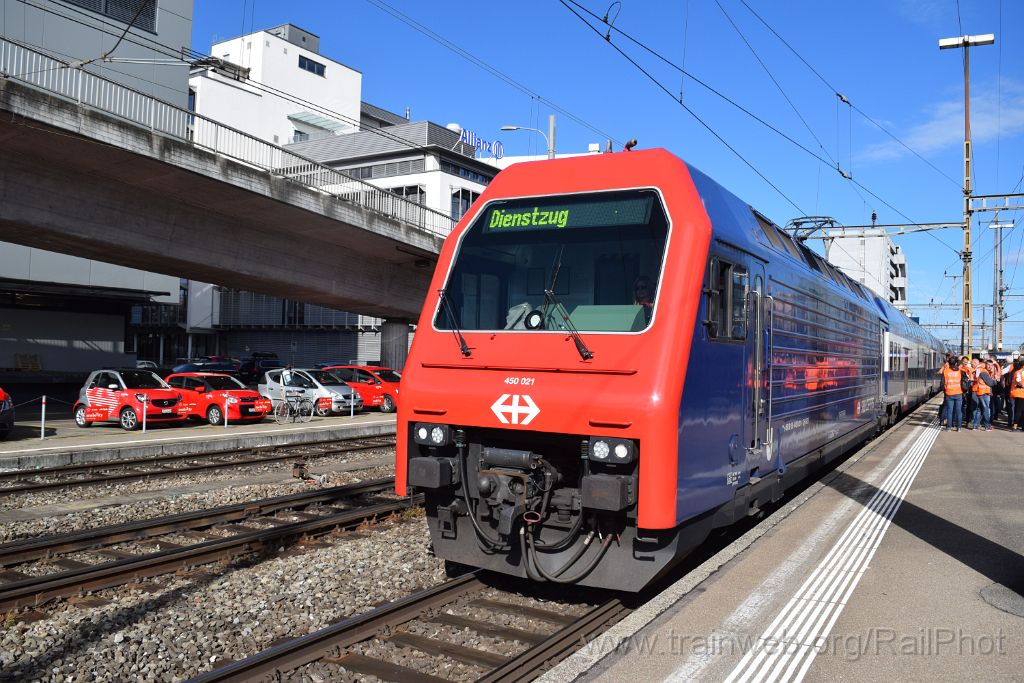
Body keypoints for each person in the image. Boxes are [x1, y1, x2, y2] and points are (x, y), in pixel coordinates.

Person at [970, 358, 995, 431]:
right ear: (985, 365)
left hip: (980, 392)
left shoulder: (984, 371)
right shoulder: (984, 372)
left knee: (979, 409)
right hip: (984, 393)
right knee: (986, 409)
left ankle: (975, 425)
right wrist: (995, 381)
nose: (990, 366)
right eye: (988, 365)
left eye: (991, 365)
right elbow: (990, 383)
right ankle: (987, 426)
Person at [940, 355, 964, 432]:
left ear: (949, 363)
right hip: (958, 393)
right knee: (958, 411)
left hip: (949, 393)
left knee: (949, 411)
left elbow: (942, 383)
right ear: (956, 363)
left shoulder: (946, 371)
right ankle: (959, 427)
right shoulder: (960, 371)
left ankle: (949, 427)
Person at [1011, 359, 1024, 432]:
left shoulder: (1021, 372)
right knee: (1019, 410)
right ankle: (1015, 426)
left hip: (1022, 393)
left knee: (1022, 410)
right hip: (1019, 393)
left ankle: (1021, 426)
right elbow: (1018, 381)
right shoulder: (1018, 372)